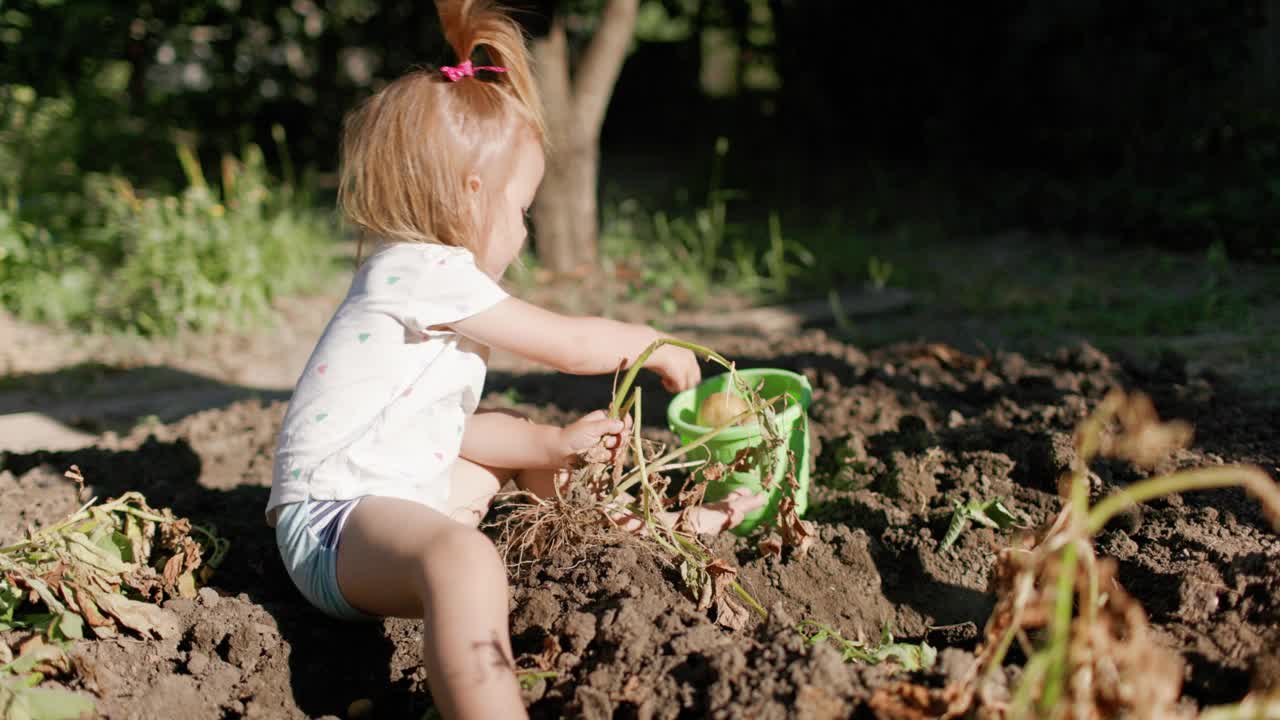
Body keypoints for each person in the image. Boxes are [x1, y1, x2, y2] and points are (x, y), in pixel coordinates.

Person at [265, 2, 764, 717]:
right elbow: (567, 347)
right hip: (334, 525)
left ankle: (658, 537)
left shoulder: (421, 284)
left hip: (388, 504)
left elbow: (444, 431)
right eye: (522, 209)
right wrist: (655, 342)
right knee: (465, 561)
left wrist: (551, 445)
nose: (524, 233)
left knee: (537, 448)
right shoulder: (419, 270)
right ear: (474, 195)